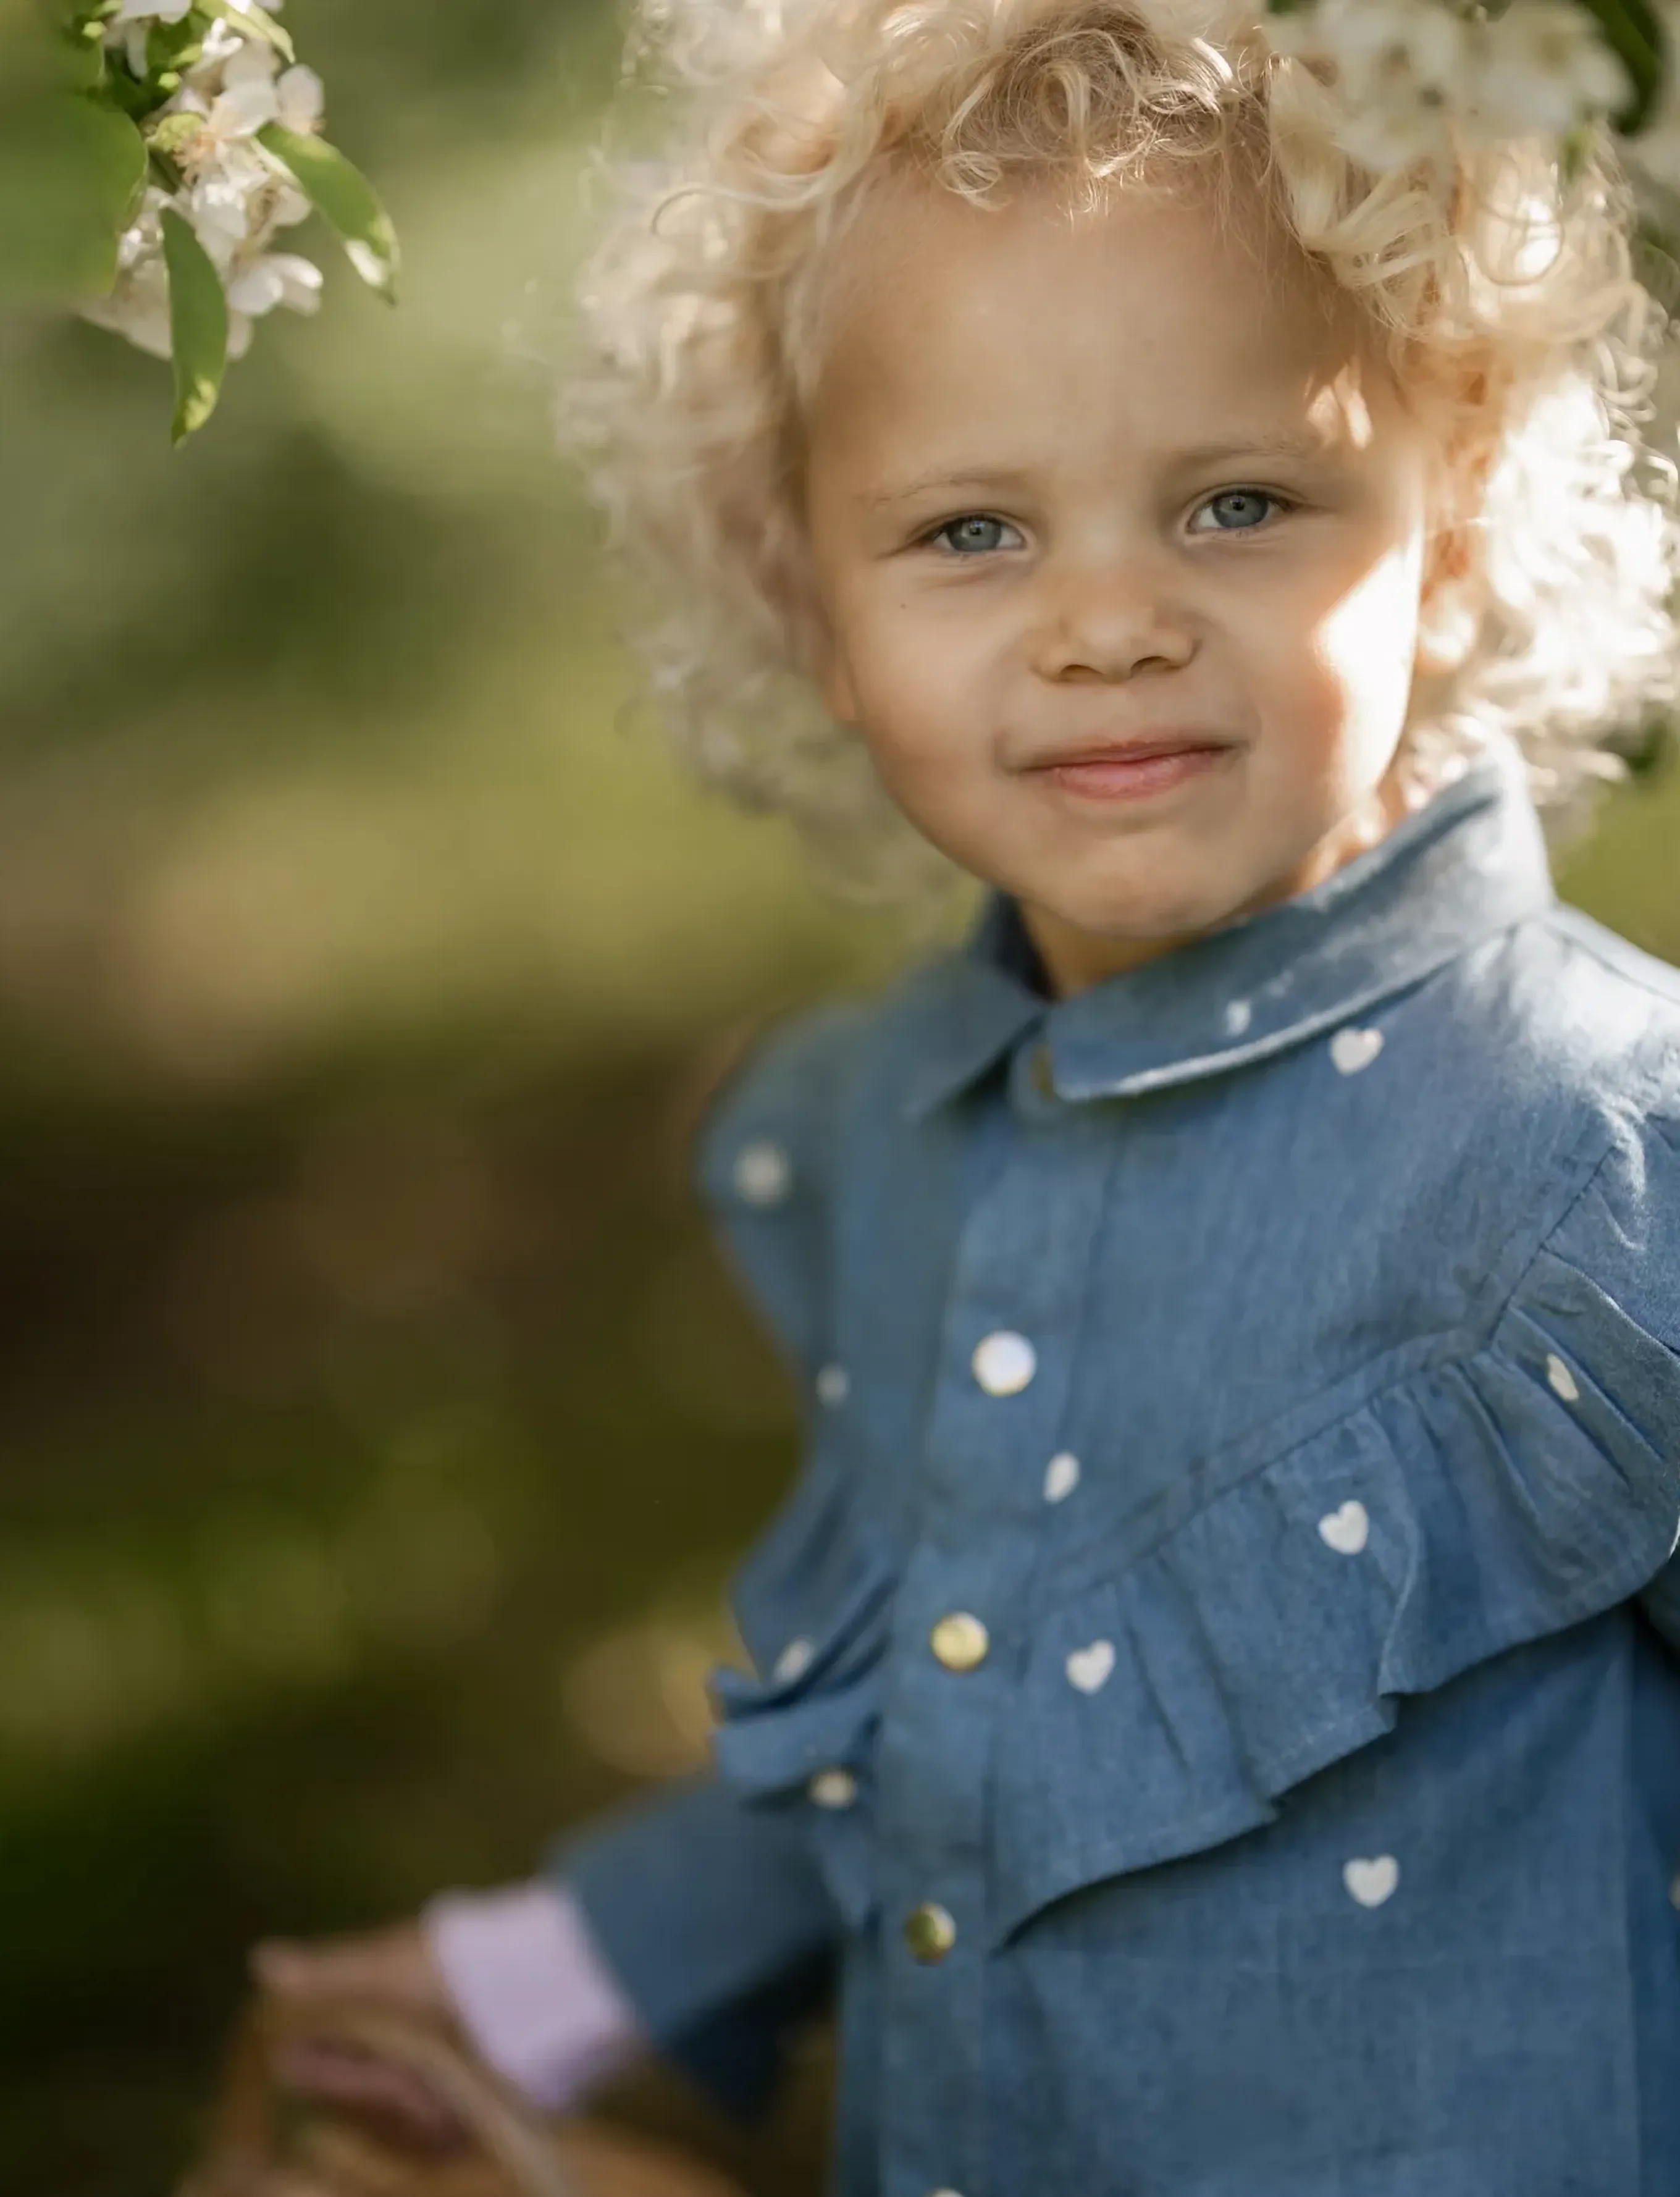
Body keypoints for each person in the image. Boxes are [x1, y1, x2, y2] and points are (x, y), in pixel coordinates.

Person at [253, 0, 1680, 2187]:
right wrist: (517, 1990)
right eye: (969, 534)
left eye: (1238, 498)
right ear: (806, 584)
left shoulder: (1591, 1156)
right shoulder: (890, 1141)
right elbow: (929, 1742)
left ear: (1454, 514)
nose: (1109, 620)